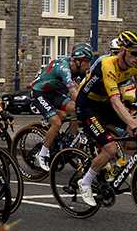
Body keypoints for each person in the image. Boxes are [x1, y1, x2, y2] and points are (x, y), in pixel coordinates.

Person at [73, 31, 137, 207]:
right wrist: (133, 123)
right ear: (122, 51)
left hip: (103, 102)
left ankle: (124, 169)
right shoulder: (108, 64)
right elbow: (116, 101)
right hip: (87, 105)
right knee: (110, 149)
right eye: (134, 53)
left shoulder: (136, 68)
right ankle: (85, 182)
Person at [30, 43, 92, 171]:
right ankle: (41, 154)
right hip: (40, 92)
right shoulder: (65, 68)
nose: (89, 65)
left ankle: (71, 139)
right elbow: (73, 91)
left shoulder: (77, 68)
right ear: (78, 61)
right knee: (57, 122)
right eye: (86, 62)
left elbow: (78, 88)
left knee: (75, 110)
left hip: (55, 92)